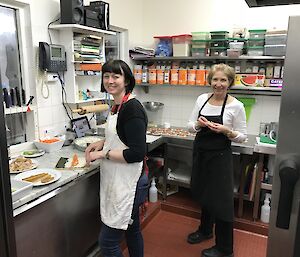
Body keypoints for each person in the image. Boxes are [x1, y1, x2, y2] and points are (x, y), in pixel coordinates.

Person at [85, 60, 148, 257]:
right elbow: (122, 135)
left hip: (129, 181)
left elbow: (137, 153)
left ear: (127, 80)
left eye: (116, 76)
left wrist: (103, 154)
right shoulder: (117, 106)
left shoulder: (132, 108)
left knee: (108, 242)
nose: (110, 81)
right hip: (122, 178)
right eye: (106, 76)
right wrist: (103, 142)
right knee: (132, 229)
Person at [187, 63, 247, 257]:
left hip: (220, 156)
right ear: (210, 81)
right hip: (202, 153)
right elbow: (190, 126)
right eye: (215, 79)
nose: (218, 84)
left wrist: (226, 131)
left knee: (222, 202)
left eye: (223, 80)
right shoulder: (202, 99)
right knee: (205, 194)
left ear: (230, 82)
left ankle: (225, 248)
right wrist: (198, 124)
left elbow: (242, 136)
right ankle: (205, 231)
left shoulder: (236, 105)